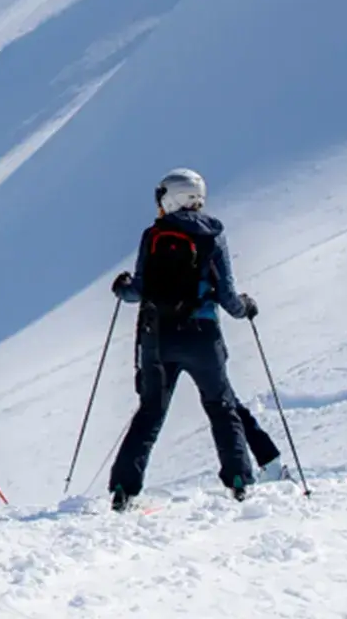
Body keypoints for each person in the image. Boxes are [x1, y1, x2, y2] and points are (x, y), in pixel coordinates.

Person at [108, 168, 259, 509]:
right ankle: (238, 481)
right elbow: (228, 295)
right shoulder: (214, 236)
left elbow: (139, 290)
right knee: (221, 407)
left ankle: (123, 489)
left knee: (150, 412)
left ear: (171, 196)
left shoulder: (154, 235)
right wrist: (246, 308)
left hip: (158, 339)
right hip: (203, 336)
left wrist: (122, 287)